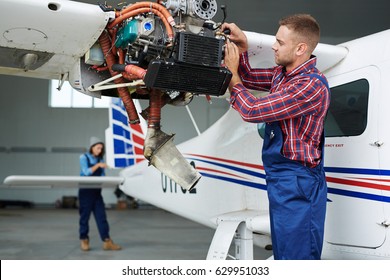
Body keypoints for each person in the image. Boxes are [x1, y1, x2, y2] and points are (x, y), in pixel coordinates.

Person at [222, 14, 330, 259]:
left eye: (280, 42)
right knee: (284, 255)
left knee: (296, 259)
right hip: (282, 180)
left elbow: (251, 110)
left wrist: (232, 76)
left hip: (298, 181)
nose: (273, 46)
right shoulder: (281, 75)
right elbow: (248, 78)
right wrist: (242, 46)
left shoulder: (310, 86)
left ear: (301, 48)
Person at [78, 137, 121, 251]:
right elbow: (86, 173)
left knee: (101, 217)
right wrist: (98, 166)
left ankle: (107, 241)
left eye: (101, 149)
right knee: (84, 217)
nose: (99, 150)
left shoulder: (100, 160)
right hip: (85, 191)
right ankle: (84, 240)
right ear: (92, 147)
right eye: (98, 148)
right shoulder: (84, 158)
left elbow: (102, 176)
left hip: (97, 192)